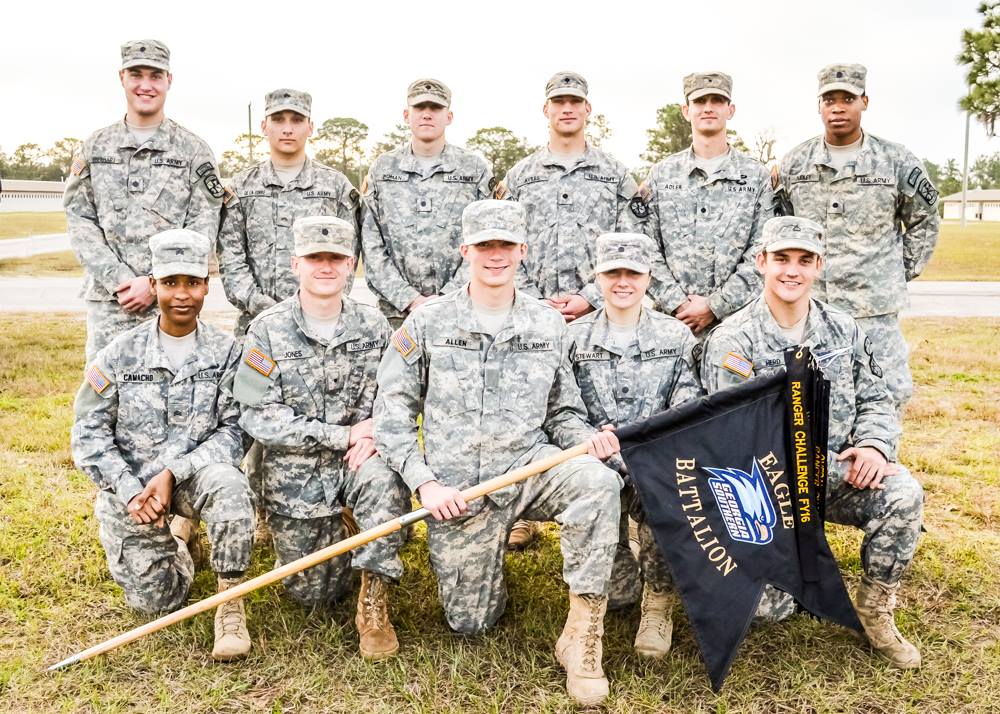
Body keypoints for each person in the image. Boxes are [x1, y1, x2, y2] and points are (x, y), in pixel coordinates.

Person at [374, 200, 624, 706]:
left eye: (505, 245)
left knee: (599, 484)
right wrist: (426, 482)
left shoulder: (548, 324)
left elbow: (563, 413)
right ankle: (485, 567)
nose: (495, 255)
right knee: (471, 622)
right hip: (459, 490)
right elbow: (392, 413)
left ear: (522, 251)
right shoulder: (427, 323)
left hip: (531, 466)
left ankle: (583, 635)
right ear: (465, 249)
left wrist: (585, 440)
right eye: (485, 245)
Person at [701, 216, 924, 669]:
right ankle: (790, 562)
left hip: (839, 474)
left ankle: (875, 608)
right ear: (761, 262)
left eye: (804, 260)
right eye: (781, 258)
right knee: (769, 613)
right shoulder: (732, 341)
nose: (792, 271)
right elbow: (731, 439)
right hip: (769, 490)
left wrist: (875, 447)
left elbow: (876, 397)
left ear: (818, 266)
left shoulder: (843, 329)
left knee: (903, 493)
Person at [71, 228, 255, 661]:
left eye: (192, 282)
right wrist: (130, 490)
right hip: (135, 492)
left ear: (207, 285)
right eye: (170, 283)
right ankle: (180, 544)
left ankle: (230, 598)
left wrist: (175, 473)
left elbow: (236, 429)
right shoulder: (118, 354)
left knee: (230, 487)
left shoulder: (230, 353)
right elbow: (88, 433)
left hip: (194, 478)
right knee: (160, 600)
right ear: (152, 285)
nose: (182, 294)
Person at [232, 216, 408, 660]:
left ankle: (374, 601)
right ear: (296, 264)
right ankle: (327, 524)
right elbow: (254, 412)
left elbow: (397, 395)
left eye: (336, 258)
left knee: (385, 480)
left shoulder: (376, 327)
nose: (325, 267)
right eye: (315, 258)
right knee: (313, 594)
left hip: (360, 460)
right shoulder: (265, 330)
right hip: (295, 470)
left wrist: (377, 434)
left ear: (351, 264)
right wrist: (344, 434)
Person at [499, 70, 642, 548]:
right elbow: (505, 245)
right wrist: (534, 301)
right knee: (526, 403)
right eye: (558, 101)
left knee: (582, 404)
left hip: (594, 311)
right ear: (545, 110)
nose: (566, 108)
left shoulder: (614, 174)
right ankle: (524, 505)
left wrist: (588, 296)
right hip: (528, 310)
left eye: (575, 102)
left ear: (588, 111)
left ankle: (599, 496)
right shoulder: (519, 176)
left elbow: (629, 246)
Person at [775, 63, 939, 412]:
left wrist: (895, 271)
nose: (838, 107)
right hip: (812, 307)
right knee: (809, 398)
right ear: (818, 106)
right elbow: (779, 224)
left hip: (873, 311)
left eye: (847, 98)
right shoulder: (795, 163)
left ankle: (882, 463)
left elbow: (924, 220)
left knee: (885, 393)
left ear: (864, 101)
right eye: (829, 99)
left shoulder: (896, 161)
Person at [568, 233, 702, 658]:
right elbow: (562, 407)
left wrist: (648, 445)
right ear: (598, 277)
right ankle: (619, 564)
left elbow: (688, 406)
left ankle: (659, 603)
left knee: (663, 486)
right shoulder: (572, 337)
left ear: (649, 277)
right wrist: (587, 438)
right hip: (596, 462)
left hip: (653, 459)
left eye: (633, 273)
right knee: (617, 593)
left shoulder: (677, 337)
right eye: (613, 273)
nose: (622, 282)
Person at [64, 39, 224, 360]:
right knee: (106, 397)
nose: (146, 85)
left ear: (169, 81)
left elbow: (202, 230)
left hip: (173, 302)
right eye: (137, 74)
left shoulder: (193, 151)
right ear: (122, 77)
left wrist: (154, 284)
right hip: (111, 301)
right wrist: (122, 281)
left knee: (176, 395)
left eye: (155, 75)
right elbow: (80, 221)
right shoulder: (95, 147)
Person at [637, 72, 773, 336]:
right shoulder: (662, 175)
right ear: (686, 111)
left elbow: (763, 250)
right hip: (670, 327)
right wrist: (676, 302)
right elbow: (645, 245)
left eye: (717, 100)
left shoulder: (757, 177)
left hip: (739, 327)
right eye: (700, 102)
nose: (708, 108)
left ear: (730, 110)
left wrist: (716, 305)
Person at [218, 88, 360, 338]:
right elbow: (231, 259)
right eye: (278, 119)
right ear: (264, 125)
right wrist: (262, 306)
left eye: (296, 120)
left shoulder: (335, 187)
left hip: (321, 326)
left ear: (310, 127)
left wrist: (318, 304)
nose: (287, 129)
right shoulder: (242, 188)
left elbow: (348, 256)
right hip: (257, 327)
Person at [361, 78, 493, 328]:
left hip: (463, 311)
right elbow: (371, 245)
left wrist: (446, 298)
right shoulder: (383, 169)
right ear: (406, 115)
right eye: (420, 108)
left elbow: (486, 243)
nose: (427, 115)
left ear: (449, 116)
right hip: (397, 316)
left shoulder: (474, 170)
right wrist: (408, 298)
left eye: (435, 108)